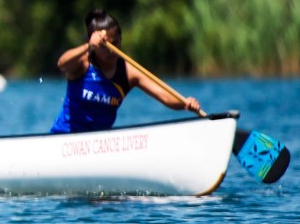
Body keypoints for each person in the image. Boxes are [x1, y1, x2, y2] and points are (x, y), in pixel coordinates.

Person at [50, 9, 202, 134]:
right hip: (65, 138)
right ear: (95, 45)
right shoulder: (82, 64)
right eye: (105, 45)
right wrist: (87, 46)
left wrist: (185, 103)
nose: (111, 50)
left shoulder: (129, 72)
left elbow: (165, 95)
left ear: (120, 40)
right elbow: (62, 64)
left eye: (115, 43)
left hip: (100, 144)